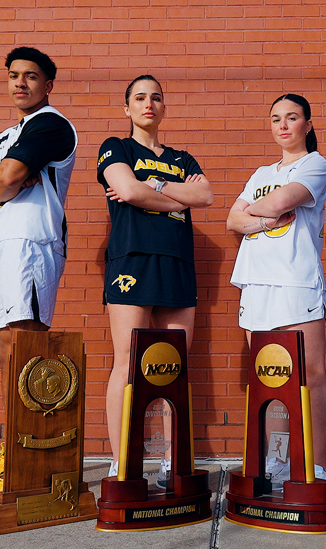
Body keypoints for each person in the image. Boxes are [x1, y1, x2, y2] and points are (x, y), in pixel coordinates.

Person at [0, 47, 78, 498]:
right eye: (13, 76)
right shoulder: (9, 134)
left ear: (48, 84)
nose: (20, 83)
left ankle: (30, 461)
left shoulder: (51, 123)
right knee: (6, 349)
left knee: (27, 345)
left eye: (31, 76)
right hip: (0, 244)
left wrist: (2, 182)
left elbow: (3, 180)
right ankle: (13, 448)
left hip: (33, 241)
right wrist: (2, 181)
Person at [97, 75, 214, 488]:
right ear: (127, 108)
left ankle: (171, 460)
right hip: (132, 260)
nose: (149, 104)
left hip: (178, 263)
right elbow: (126, 188)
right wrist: (173, 197)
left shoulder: (183, 158)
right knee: (129, 361)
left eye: (157, 98)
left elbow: (206, 197)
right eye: (140, 98)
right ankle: (121, 460)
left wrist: (153, 188)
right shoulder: (116, 147)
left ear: (165, 107)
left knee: (172, 364)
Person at [226, 94, 326, 500]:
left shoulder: (314, 164)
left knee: (310, 375)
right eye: (276, 118)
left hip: (296, 281)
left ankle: (320, 467)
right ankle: (277, 460)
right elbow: (231, 219)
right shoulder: (261, 171)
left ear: (307, 123)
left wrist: (255, 214)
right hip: (256, 283)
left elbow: (278, 202)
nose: (283, 125)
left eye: (292, 117)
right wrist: (266, 218)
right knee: (269, 378)